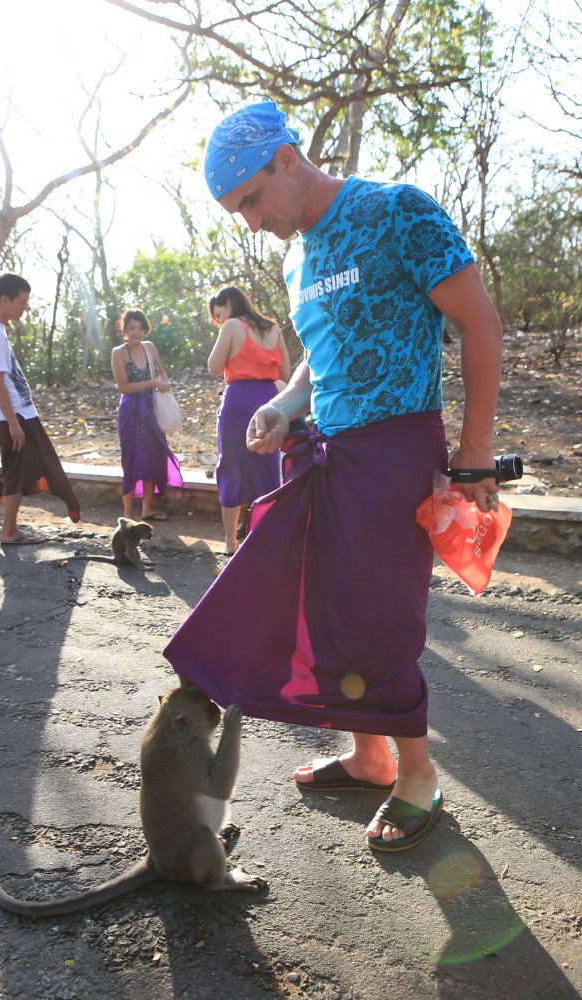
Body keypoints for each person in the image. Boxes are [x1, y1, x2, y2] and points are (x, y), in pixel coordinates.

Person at [165, 101, 503, 853]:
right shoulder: (296, 259)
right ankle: (369, 754)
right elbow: (321, 354)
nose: (250, 220)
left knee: (379, 619)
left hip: (397, 449)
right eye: (235, 210)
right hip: (326, 450)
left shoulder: (397, 213)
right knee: (326, 612)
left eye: (250, 198)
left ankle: (419, 778)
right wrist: (285, 406)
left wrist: (475, 451)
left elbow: (478, 320)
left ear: (288, 159)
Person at [0, 273, 81, 545]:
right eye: (21, 302)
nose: (25, 308)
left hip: (11, 412)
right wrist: (14, 423)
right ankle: (9, 531)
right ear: (4, 300)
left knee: (10, 467)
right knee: (17, 471)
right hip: (11, 413)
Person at [207, 286, 291, 554]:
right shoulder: (273, 328)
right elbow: (286, 373)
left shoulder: (232, 326)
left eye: (218, 314)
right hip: (270, 399)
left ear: (228, 303)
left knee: (231, 467)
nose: (219, 321)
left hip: (238, 400)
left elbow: (213, 368)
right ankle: (263, 538)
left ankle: (231, 543)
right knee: (266, 467)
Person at [111, 308, 183, 520]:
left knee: (153, 456)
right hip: (131, 410)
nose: (137, 332)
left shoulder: (149, 348)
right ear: (124, 330)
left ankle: (147, 509)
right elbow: (123, 387)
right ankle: (127, 515)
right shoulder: (119, 353)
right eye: (132, 328)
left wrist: (163, 385)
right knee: (132, 459)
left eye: (141, 328)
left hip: (151, 408)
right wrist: (152, 382)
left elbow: (162, 371)